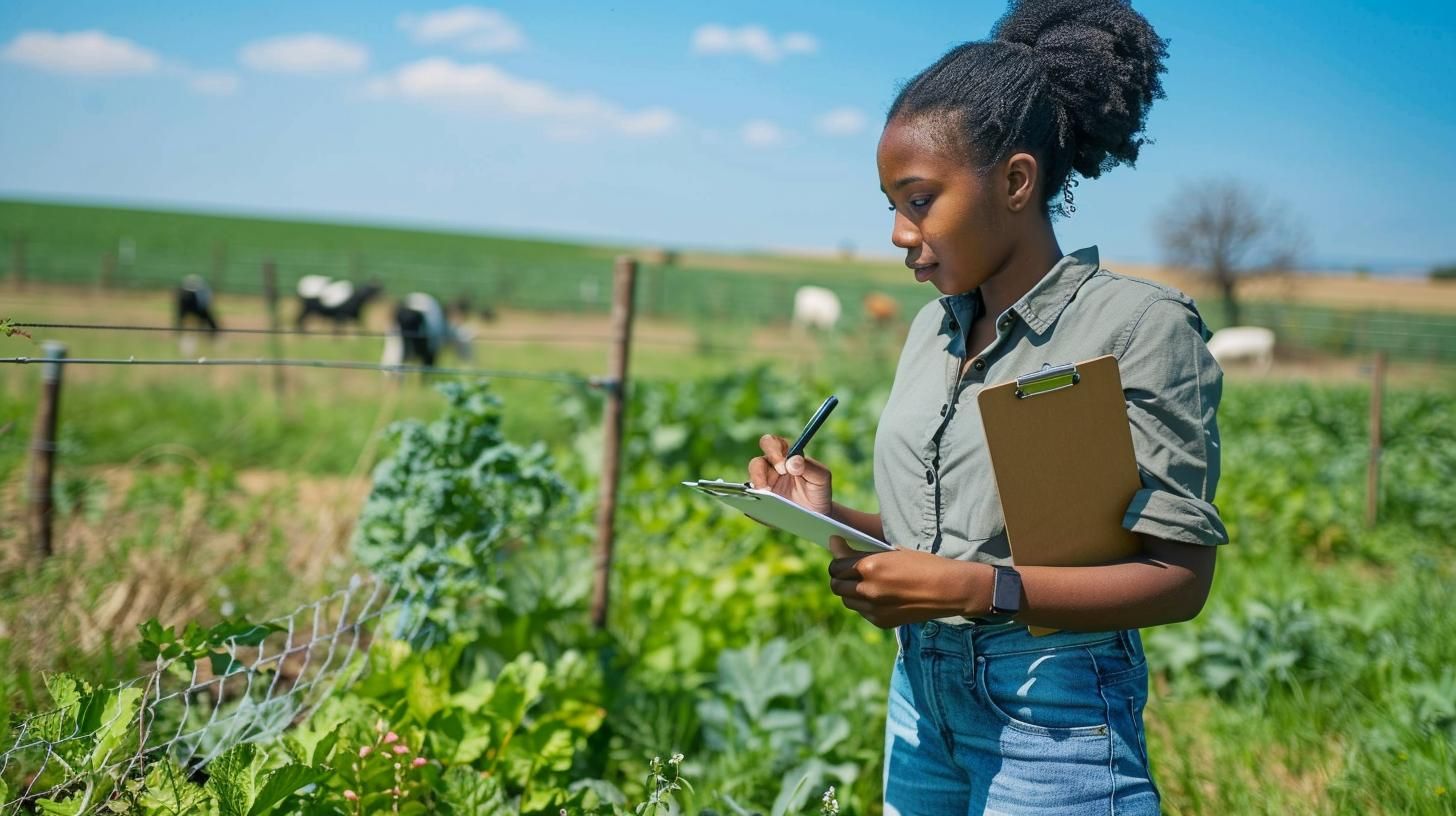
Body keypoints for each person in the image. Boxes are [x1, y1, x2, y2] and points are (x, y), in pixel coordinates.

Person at [747, 1, 1226, 813]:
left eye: (920, 200)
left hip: (1052, 714)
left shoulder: (1139, 328)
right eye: (889, 206)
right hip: (918, 701)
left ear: (1014, 181)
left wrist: (979, 593)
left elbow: (1178, 578)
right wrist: (833, 520)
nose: (900, 233)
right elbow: (947, 546)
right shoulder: (932, 332)